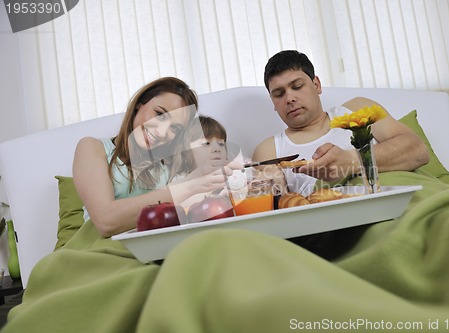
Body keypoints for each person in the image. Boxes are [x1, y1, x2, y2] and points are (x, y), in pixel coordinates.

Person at [73, 77, 239, 237]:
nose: (161, 131)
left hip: (154, 245)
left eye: (174, 128)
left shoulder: (170, 165)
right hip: (102, 249)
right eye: (160, 114)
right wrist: (188, 186)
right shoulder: (92, 147)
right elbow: (106, 221)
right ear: (139, 103)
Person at [253, 50, 429, 197]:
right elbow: (278, 204)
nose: (289, 98)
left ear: (317, 85)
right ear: (273, 102)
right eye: (278, 94)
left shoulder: (358, 109)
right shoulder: (270, 150)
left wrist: (351, 160)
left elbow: (418, 151)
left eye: (297, 86)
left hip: (406, 194)